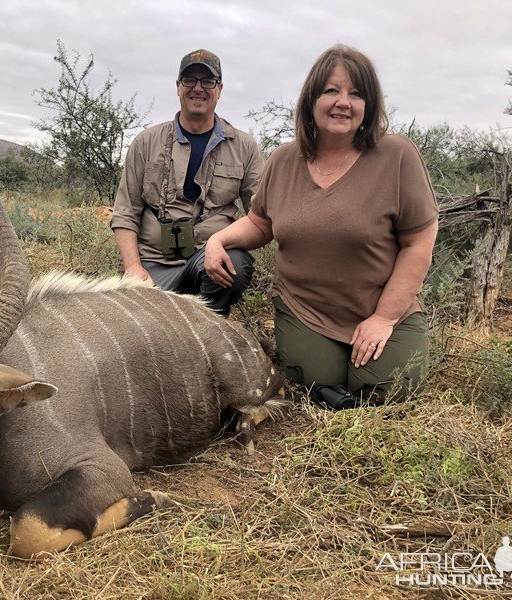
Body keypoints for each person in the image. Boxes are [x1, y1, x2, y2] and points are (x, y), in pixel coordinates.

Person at [204, 45, 438, 406]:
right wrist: (217, 240)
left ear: (369, 105)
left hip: (379, 307)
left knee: (384, 391)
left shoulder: (397, 156)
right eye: (331, 90)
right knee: (318, 385)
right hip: (306, 310)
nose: (343, 102)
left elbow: (419, 242)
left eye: (356, 93)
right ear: (311, 100)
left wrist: (383, 318)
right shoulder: (284, 159)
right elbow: (260, 222)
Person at [111, 49, 263, 316]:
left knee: (234, 265)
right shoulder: (146, 142)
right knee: (135, 321)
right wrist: (133, 268)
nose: (198, 89)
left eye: (207, 81)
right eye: (190, 80)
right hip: (154, 260)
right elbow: (125, 212)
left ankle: (212, 324)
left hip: (210, 256)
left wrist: (218, 242)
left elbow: (260, 216)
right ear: (178, 86)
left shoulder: (245, 146)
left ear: (220, 89)